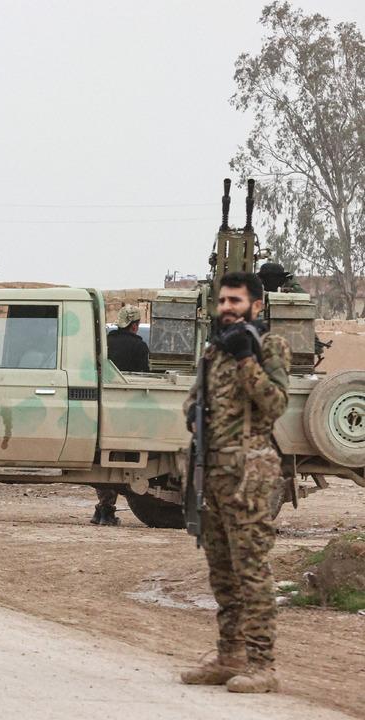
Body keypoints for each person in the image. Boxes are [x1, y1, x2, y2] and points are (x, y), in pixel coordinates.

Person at [180, 271, 290, 694]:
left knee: (251, 571)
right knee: (222, 572)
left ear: (256, 306)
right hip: (212, 473)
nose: (226, 307)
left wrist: (246, 360)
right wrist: (192, 415)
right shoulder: (213, 351)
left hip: (248, 475)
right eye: (222, 300)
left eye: (235, 301)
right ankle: (230, 655)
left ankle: (263, 664)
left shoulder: (267, 346)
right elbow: (194, 399)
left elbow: (274, 404)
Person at [93, 304, 151, 525]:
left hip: (103, 407)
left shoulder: (106, 343)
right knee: (118, 462)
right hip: (128, 411)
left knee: (103, 461)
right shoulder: (139, 346)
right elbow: (143, 378)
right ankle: (106, 510)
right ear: (135, 326)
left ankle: (104, 507)